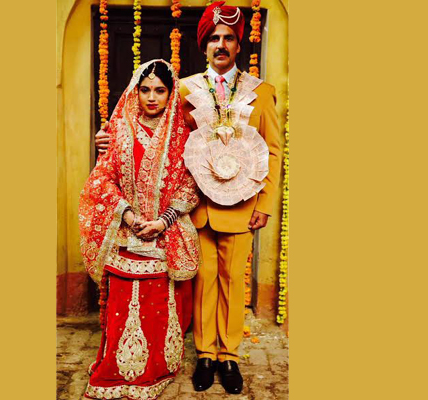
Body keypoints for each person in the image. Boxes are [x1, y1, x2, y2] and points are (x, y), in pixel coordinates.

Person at [95, 2, 284, 395]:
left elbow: (274, 151)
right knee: (203, 281)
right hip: (195, 206)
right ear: (204, 45)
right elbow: (149, 124)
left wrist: (266, 205)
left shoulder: (261, 93)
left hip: (243, 207)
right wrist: (108, 139)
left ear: (238, 45)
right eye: (214, 38)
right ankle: (205, 355)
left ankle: (229, 356)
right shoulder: (184, 89)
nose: (221, 44)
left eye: (228, 38)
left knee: (232, 281)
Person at [78, 59, 201, 400]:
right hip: (125, 231)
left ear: (170, 93)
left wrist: (163, 221)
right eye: (145, 89)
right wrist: (130, 216)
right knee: (123, 307)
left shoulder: (183, 134)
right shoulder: (118, 130)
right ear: (135, 91)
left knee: (158, 306)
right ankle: (117, 369)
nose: (151, 97)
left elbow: (191, 183)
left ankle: (156, 369)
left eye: (160, 90)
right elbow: (103, 180)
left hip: (165, 234)